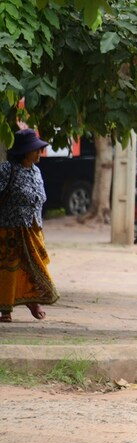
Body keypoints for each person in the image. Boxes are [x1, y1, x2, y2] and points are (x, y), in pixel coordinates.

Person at [0, 129, 59, 322]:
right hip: (10, 228)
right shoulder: (7, 170)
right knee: (9, 267)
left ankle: (33, 299)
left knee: (35, 265)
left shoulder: (36, 171)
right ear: (25, 152)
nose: (39, 153)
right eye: (35, 150)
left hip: (33, 227)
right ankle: (5, 309)